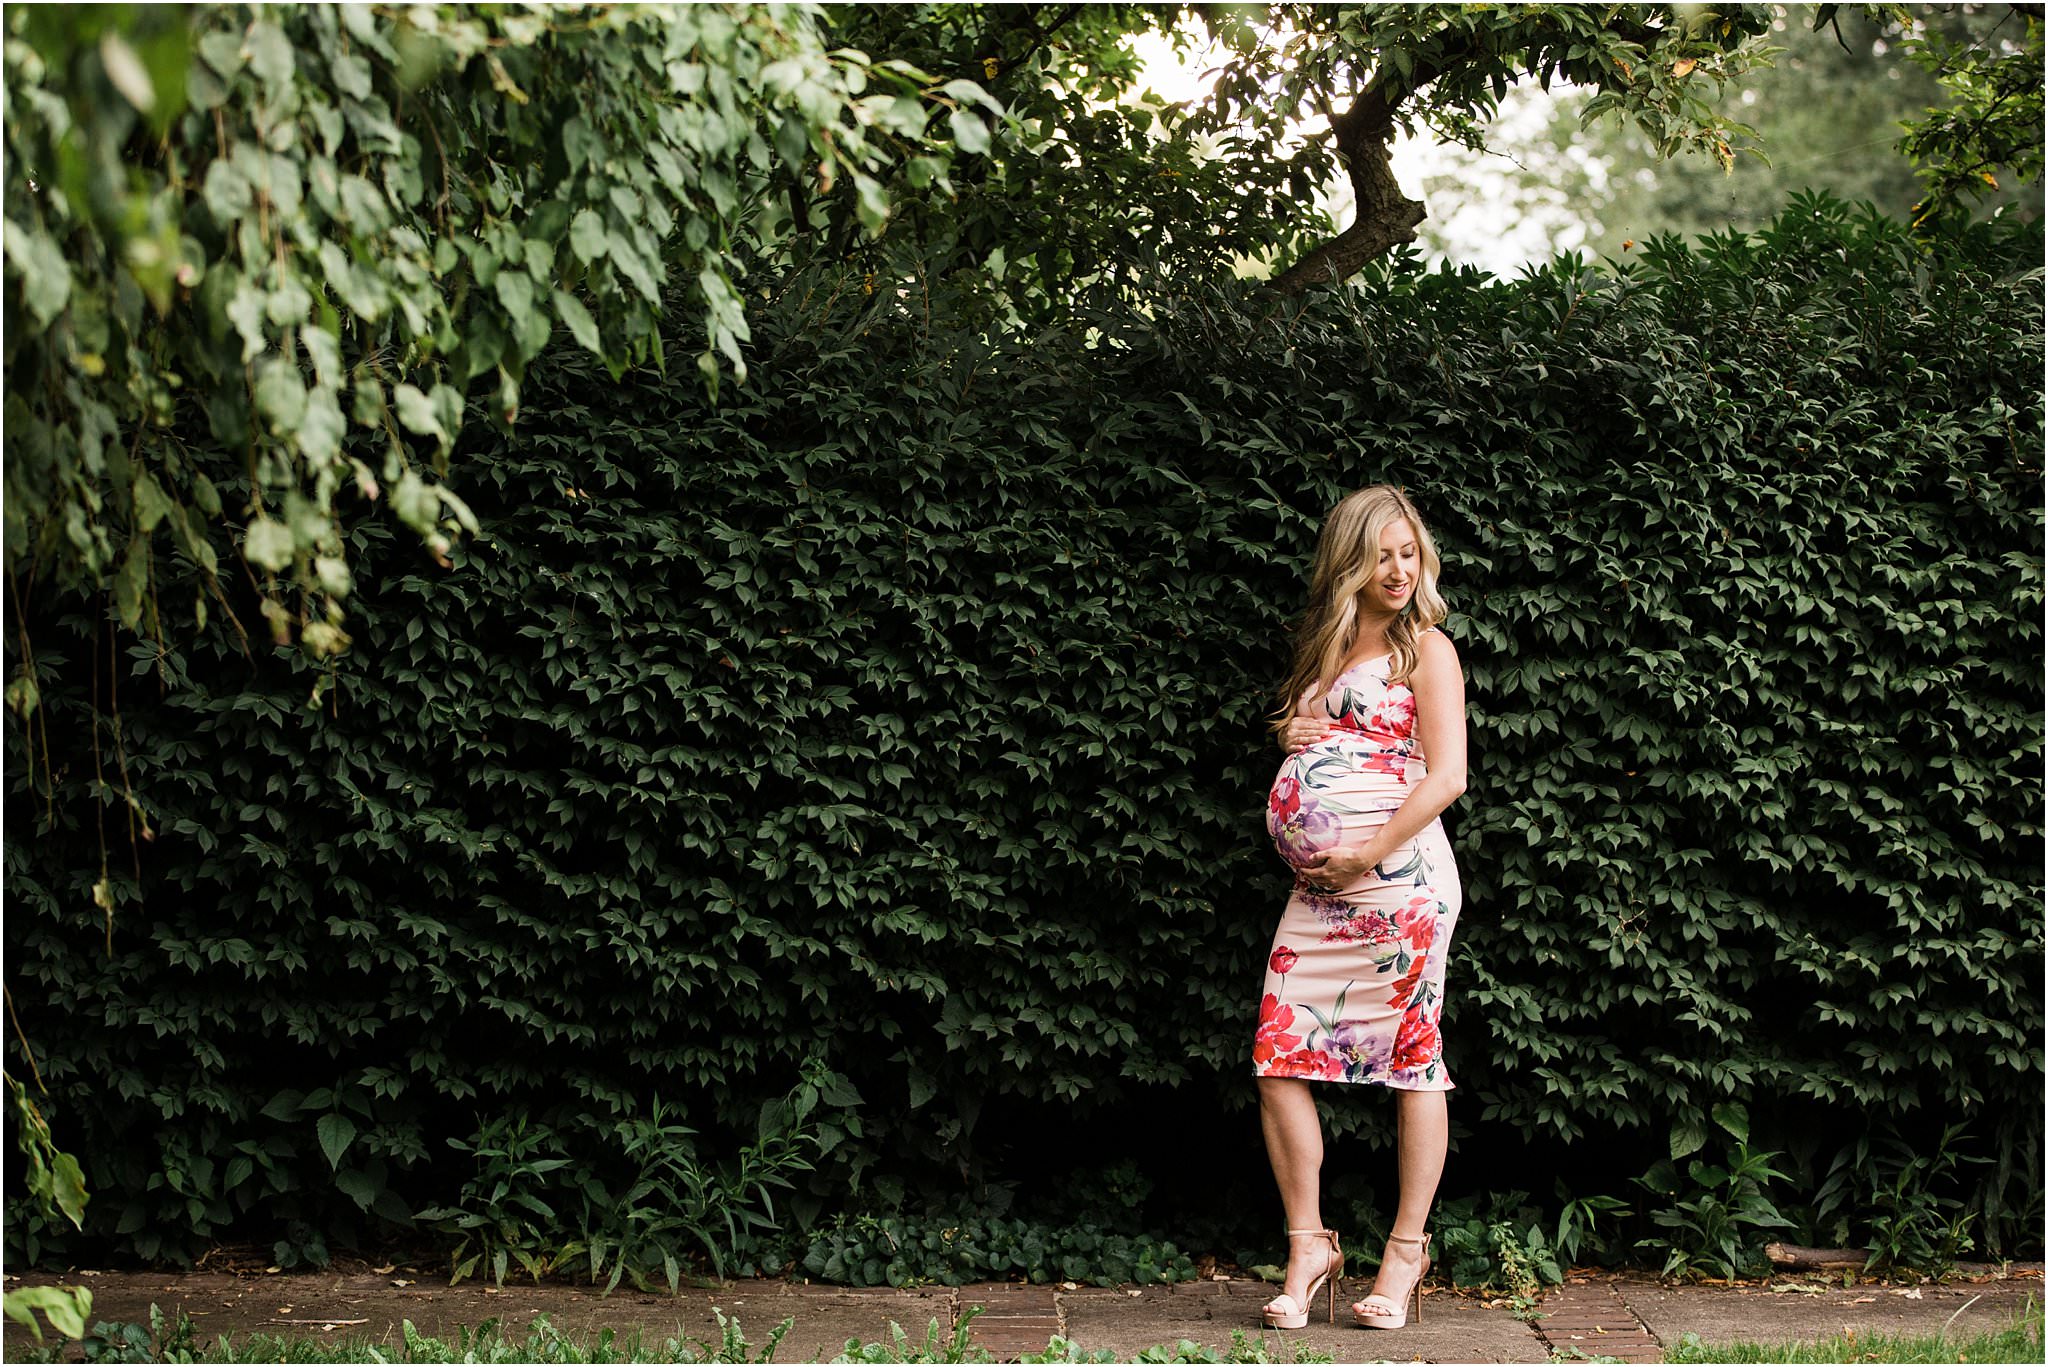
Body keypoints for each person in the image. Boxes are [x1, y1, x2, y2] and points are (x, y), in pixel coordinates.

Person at [1252, 484, 1468, 1332]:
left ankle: (1405, 1252)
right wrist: (1291, 735)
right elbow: (1311, 731)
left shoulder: (1429, 651)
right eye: (1382, 554)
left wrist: (1362, 853)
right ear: (1350, 560)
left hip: (1401, 882)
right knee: (1278, 1055)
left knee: (1413, 1062)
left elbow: (1445, 775)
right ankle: (1310, 1244)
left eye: (1410, 553)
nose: (1399, 570)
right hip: (1321, 890)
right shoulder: (1329, 642)